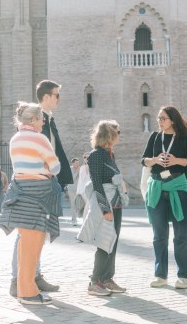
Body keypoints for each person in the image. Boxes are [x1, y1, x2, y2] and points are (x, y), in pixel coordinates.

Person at [0, 102, 62, 305]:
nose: (43, 123)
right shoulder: (40, 139)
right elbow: (56, 167)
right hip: (38, 193)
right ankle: (27, 292)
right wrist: (44, 166)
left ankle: (25, 288)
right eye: (42, 119)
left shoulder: (15, 138)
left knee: (26, 242)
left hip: (21, 191)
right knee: (33, 245)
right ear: (33, 120)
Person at [9, 80, 68, 298]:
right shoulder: (38, 131)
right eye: (57, 95)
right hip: (39, 186)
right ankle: (20, 280)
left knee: (32, 233)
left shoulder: (22, 134)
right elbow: (54, 163)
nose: (59, 99)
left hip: (23, 185)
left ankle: (33, 276)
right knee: (30, 234)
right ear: (46, 97)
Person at [140, 106, 187, 290]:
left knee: (181, 234)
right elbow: (144, 160)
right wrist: (155, 160)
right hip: (157, 187)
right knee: (159, 236)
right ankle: (160, 275)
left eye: (163, 118)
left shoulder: (184, 138)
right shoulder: (155, 137)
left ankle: (184, 276)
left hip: (178, 189)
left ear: (172, 119)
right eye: (158, 118)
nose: (160, 121)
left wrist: (175, 161)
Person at [81, 120, 127, 296]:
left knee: (113, 241)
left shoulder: (110, 154)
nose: (119, 135)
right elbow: (97, 184)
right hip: (106, 205)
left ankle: (107, 278)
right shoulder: (96, 155)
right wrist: (105, 209)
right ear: (109, 134)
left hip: (116, 203)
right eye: (118, 131)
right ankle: (95, 281)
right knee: (103, 241)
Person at [65, 158, 81, 225]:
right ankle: (74, 219)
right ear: (73, 163)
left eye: (78, 163)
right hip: (71, 189)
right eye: (76, 163)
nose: (78, 164)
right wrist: (77, 172)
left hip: (78, 189)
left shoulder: (80, 169)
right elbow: (71, 180)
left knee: (78, 204)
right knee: (73, 204)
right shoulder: (70, 169)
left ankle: (73, 217)